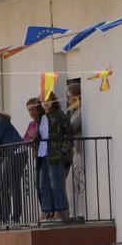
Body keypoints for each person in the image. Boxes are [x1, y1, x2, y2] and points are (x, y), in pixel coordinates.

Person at [36, 91, 73, 222]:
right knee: (42, 184)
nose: (45, 103)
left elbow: (69, 134)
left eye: (47, 100)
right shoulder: (40, 118)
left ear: (53, 100)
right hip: (42, 153)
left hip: (56, 154)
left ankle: (60, 211)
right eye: (42, 101)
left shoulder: (60, 115)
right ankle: (46, 211)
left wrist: (64, 149)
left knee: (56, 184)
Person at [66, 81, 85, 221]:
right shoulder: (73, 111)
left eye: (70, 96)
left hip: (80, 149)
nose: (68, 99)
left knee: (79, 182)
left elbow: (70, 126)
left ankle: (80, 213)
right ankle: (73, 213)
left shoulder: (80, 111)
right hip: (74, 150)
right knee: (72, 183)